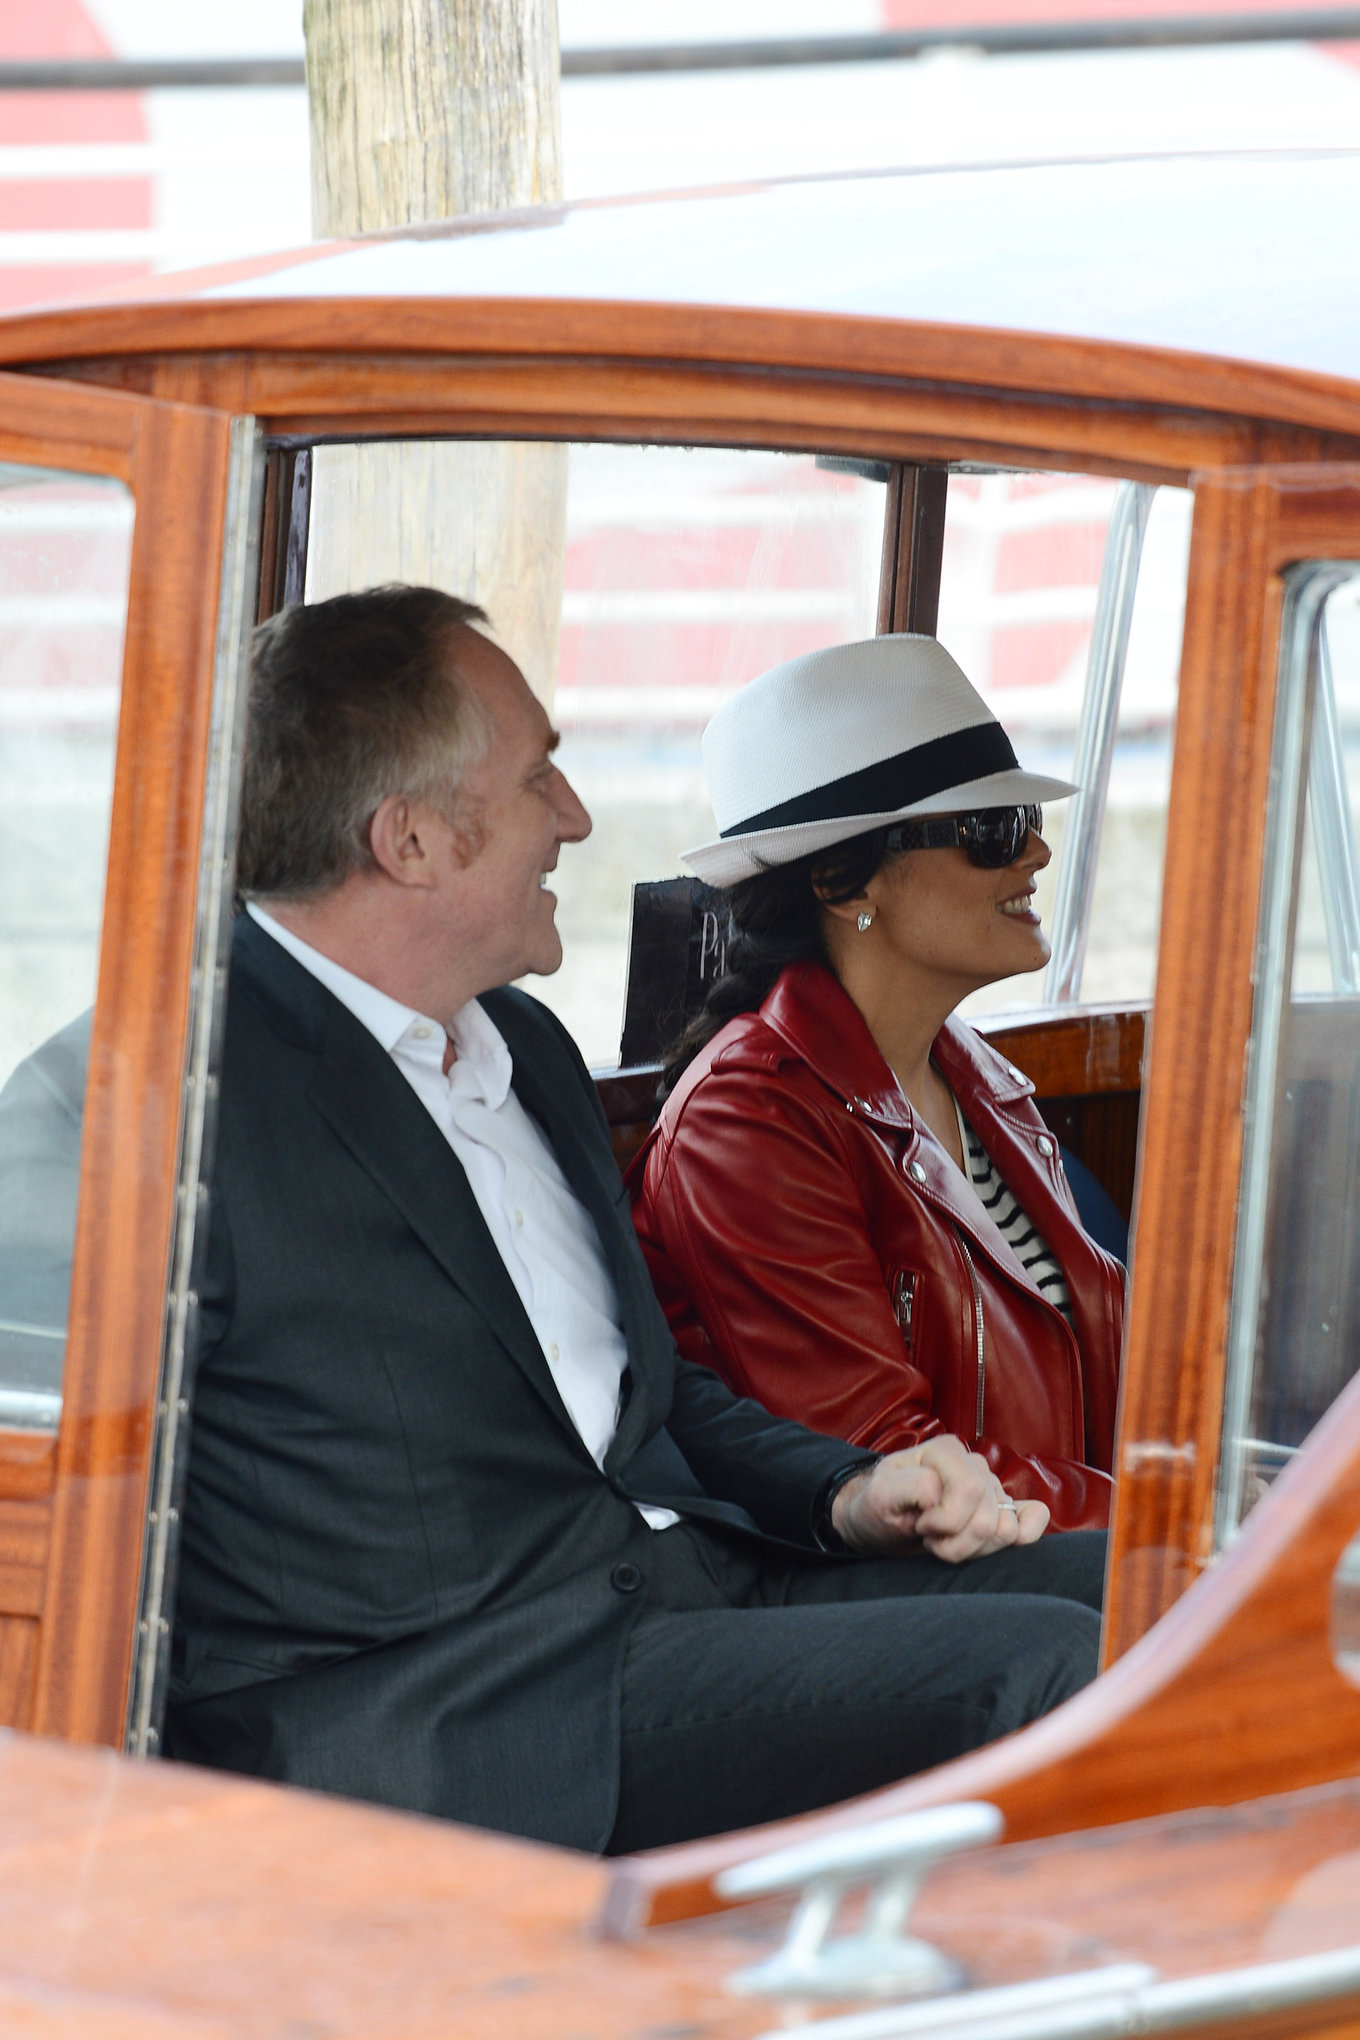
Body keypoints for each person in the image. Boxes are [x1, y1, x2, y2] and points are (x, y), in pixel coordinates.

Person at [159, 586, 1107, 1856]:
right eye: (542, 775)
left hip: (681, 1583)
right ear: (412, 841)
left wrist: (850, 1491)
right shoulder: (173, 1097)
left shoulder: (523, 1052)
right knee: (1061, 1664)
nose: (579, 819)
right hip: (459, 1709)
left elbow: (635, 1400)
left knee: (1152, 1592)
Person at [630, 634, 1124, 1533]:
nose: (1038, 855)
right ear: (838, 878)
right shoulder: (747, 1120)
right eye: (992, 831)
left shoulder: (982, 1085)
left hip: (1050, 1545)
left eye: (1026, 822)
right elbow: (881, 1453)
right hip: (905, 1584)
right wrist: (1172, 1521)